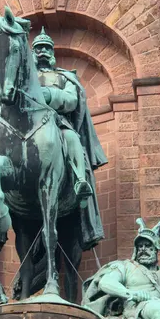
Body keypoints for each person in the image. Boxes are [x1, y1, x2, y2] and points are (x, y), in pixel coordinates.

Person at [32, 27, 107, 204]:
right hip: (27, 123)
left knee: (72, 138)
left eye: (46, 48)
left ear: (52, 52)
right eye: (38, 48)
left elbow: (71, 100)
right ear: (32, 52)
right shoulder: (24, 77)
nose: (43, 51)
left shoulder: (64, 77)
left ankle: (80, 181)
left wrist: (49, 95)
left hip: (57, 122)